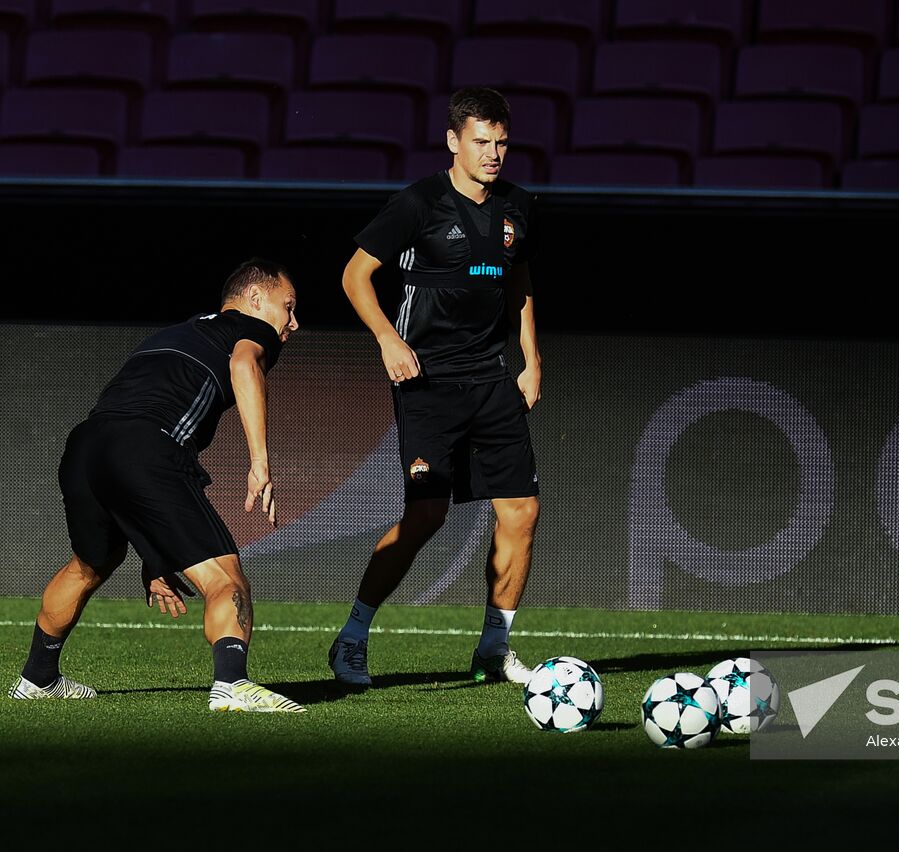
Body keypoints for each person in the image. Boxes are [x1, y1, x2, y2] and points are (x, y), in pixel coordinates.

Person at [8, 259, 304, 713]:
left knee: (91, 564)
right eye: (289, 307)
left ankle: (37, 679)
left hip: (86, 445)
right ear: (255, 299)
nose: (293, 323)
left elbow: (132, 454)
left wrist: (154, 552)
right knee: (224, 576)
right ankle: (233, 684)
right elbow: (245, 365)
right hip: (145, 447)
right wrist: (260, 461)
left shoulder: (175, 332)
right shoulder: (253, 330)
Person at [328, 86, 542, 686]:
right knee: (426, 515)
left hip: (491, 378)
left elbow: (519, 280)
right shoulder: (417, 203)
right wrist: (387, 340)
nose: (493, 153)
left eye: (501, 143)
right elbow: (354, 275)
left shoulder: (519, 206)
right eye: (481, 142)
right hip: (427, 380)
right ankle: (352, 635)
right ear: (454, 141)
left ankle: (495, 648)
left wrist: (530, 356)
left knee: (522, 512)